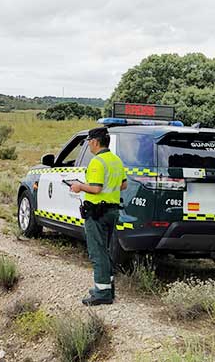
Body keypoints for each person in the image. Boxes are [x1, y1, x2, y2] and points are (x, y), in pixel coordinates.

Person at [70, 127, 127, 306]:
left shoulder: (97, 162)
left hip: (97, 213)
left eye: (88, 141)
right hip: (112, 211)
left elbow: (96, 188)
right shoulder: (116, 160)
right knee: (106, 250)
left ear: (95, 141)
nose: (88, 144)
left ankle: (102, 293)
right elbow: (123, 185)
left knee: (97, 251)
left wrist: (79, 186)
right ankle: (107, 287)